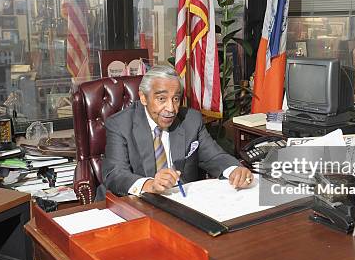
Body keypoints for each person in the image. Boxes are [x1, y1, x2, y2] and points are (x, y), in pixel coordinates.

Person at [102, 65, 253, 198]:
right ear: (143, 97)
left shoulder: (191, 120)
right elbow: (115, 174)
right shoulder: (120, 124)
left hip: (181, 201)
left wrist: (235, 170)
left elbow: (214, 156)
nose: (170, 109)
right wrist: (150, 184)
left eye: (176, 99)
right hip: (134, 203)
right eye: (161, 99)